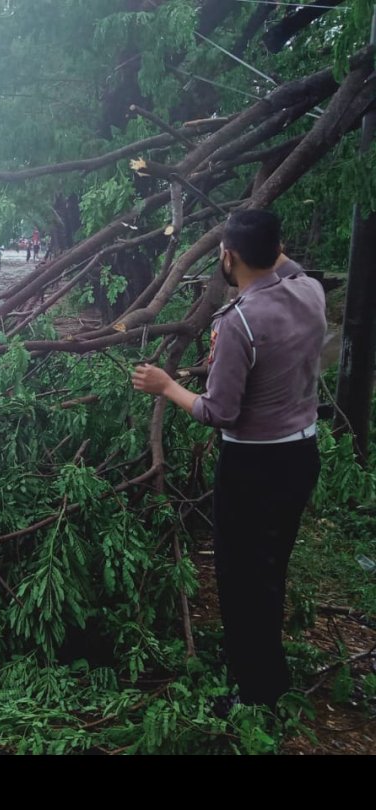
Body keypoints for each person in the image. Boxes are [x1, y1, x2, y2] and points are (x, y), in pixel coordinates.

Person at [132, 209, 325, 711]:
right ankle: (269, 672)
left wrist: (166, 385)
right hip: (301, 454)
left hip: (252, 468)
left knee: (240, 578)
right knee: (270, 566)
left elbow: (219, 411)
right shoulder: (311, 292)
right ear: (278, 250)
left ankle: (254, 692)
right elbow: (287, 266)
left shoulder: (239, 322)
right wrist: (263, 245)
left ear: (228, 256)